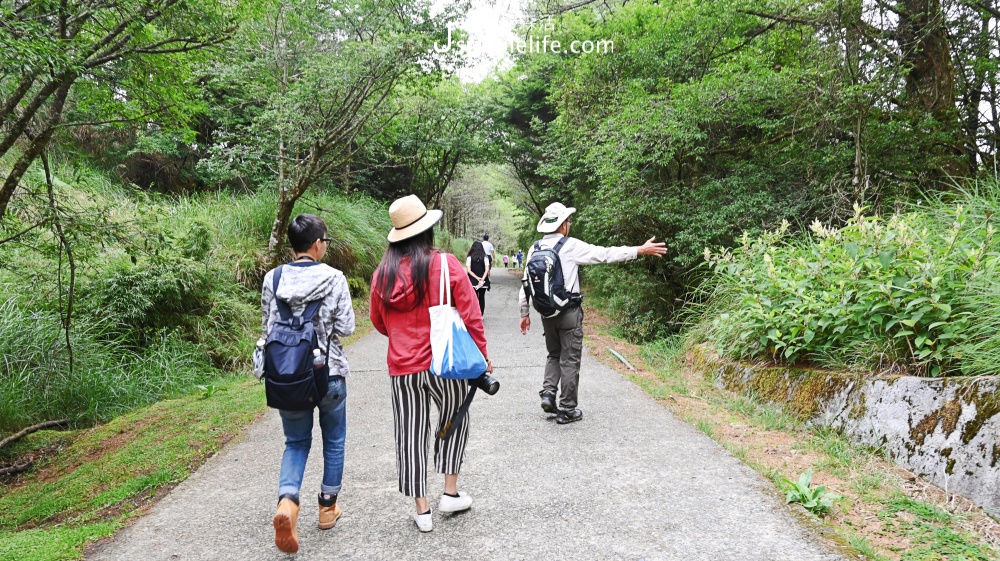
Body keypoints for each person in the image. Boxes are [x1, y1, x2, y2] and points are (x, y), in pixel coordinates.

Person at [370, 195, 494, 533]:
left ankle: (421, 510)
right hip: (446, 363)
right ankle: (450, 493)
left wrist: (401, 337)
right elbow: (471, 314)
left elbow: (378, 322)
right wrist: (482, 357)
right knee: (455, 419)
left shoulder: (383, 273)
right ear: (427, 230)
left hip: (402, 368)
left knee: (409, 434)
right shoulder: (446, 264)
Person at [518, 202, 666, 424]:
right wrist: (639, 250)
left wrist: (524, 312)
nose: (570, 225)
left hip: (545, 313)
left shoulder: (534, 248)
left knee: (554, 354)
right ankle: (567, 409)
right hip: (569, 313)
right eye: (568, 221)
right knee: (569, 360)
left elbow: (526, 282)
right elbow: (604, 254)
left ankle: (548, 393)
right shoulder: (570, 246)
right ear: (562, 226)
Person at [261, 214, 356, 554]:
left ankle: (287, 502)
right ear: (317, 244)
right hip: (329, 373)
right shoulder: (334, 278)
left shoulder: (273, 279)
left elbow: (268, 326)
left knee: (296, 442)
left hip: (289, 376)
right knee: (334, 440)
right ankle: (328, 508)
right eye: (325, 241)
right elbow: (346, 327)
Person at [465, 240, 491, 315]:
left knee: (474, 298)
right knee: (482, 297)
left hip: (473, 281)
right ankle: (481, 315)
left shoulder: (469, 258)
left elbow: (469, 271)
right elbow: (487, 270)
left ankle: (475, 314)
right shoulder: (485, 257)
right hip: (484, 281)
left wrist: (477, 278)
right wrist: (482, 279)